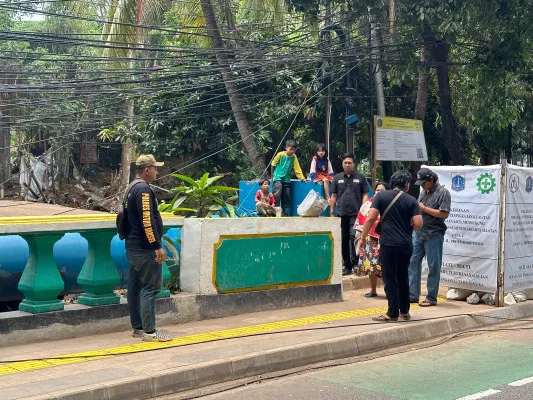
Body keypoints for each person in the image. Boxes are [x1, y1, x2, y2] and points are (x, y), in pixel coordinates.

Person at [359, 171, 423, 322]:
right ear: (406, 185)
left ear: (392, 183)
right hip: (406, 244)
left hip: (388, 244)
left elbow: (371, 218)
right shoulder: (411, 200)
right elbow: (419, 223)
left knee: (390, 278)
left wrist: (362, 238)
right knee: (403, 276)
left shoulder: (381, 196)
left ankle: (392, 313)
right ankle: (405, 311)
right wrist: (405, 229)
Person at [125, 154, 171, 342]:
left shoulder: (131, 187)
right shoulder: (143, 190)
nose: (157, 171)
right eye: (155, 168)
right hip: (144, 248)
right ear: (147, 170)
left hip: (132, 246)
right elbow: (147, 221)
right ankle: (150, 332)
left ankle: (138, 328)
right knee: (149, 289)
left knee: (135, 288)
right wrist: (157, 246)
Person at [408, 167, 451, 307]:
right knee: (413, 263)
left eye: (423, 182)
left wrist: (424, 209)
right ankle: (412, 295)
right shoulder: (423, 192)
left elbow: (444, 214)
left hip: (434, 234)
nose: (421, 185)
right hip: (418, 233)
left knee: (433, 266)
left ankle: (431, 297)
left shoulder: (443, 193)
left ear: (431, 180)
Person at [330, 153, 369, 275]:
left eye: (349, 163)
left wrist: (364, 210)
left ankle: (356, 263)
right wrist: (332, 212)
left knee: (354, 237)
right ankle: (347, 266)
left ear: (353, 164)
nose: (347, 165)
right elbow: (333, 196)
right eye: (345, 163)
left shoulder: (360, 177)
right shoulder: (337, 178)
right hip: (341, 214)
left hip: (356, 214)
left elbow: (365, 194)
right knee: (343, 239)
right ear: (342, 164)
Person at [354, 181, 388, 298]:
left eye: (381, 190)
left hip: (385, 239)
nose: (379, 192)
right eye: (377, 190)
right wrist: (360, 239)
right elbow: (360, 222)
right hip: (369, 239)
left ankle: (389, 290)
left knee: (386, 266)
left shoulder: (390, 204)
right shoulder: (368, 204)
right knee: (371, 266)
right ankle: (373, 290)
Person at [271, 140, 306, 216]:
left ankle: (283, 211)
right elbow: (273, 164)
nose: (292, 151)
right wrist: (272, 176)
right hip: (277, 176)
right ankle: (275, 209)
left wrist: (302, 177)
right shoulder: (280, 154)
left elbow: (297, 168)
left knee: (287, 194)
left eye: (294, 150)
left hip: (286, 178)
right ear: (286, 148)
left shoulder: (294, 157)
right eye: (291, 149)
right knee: (277, 191)